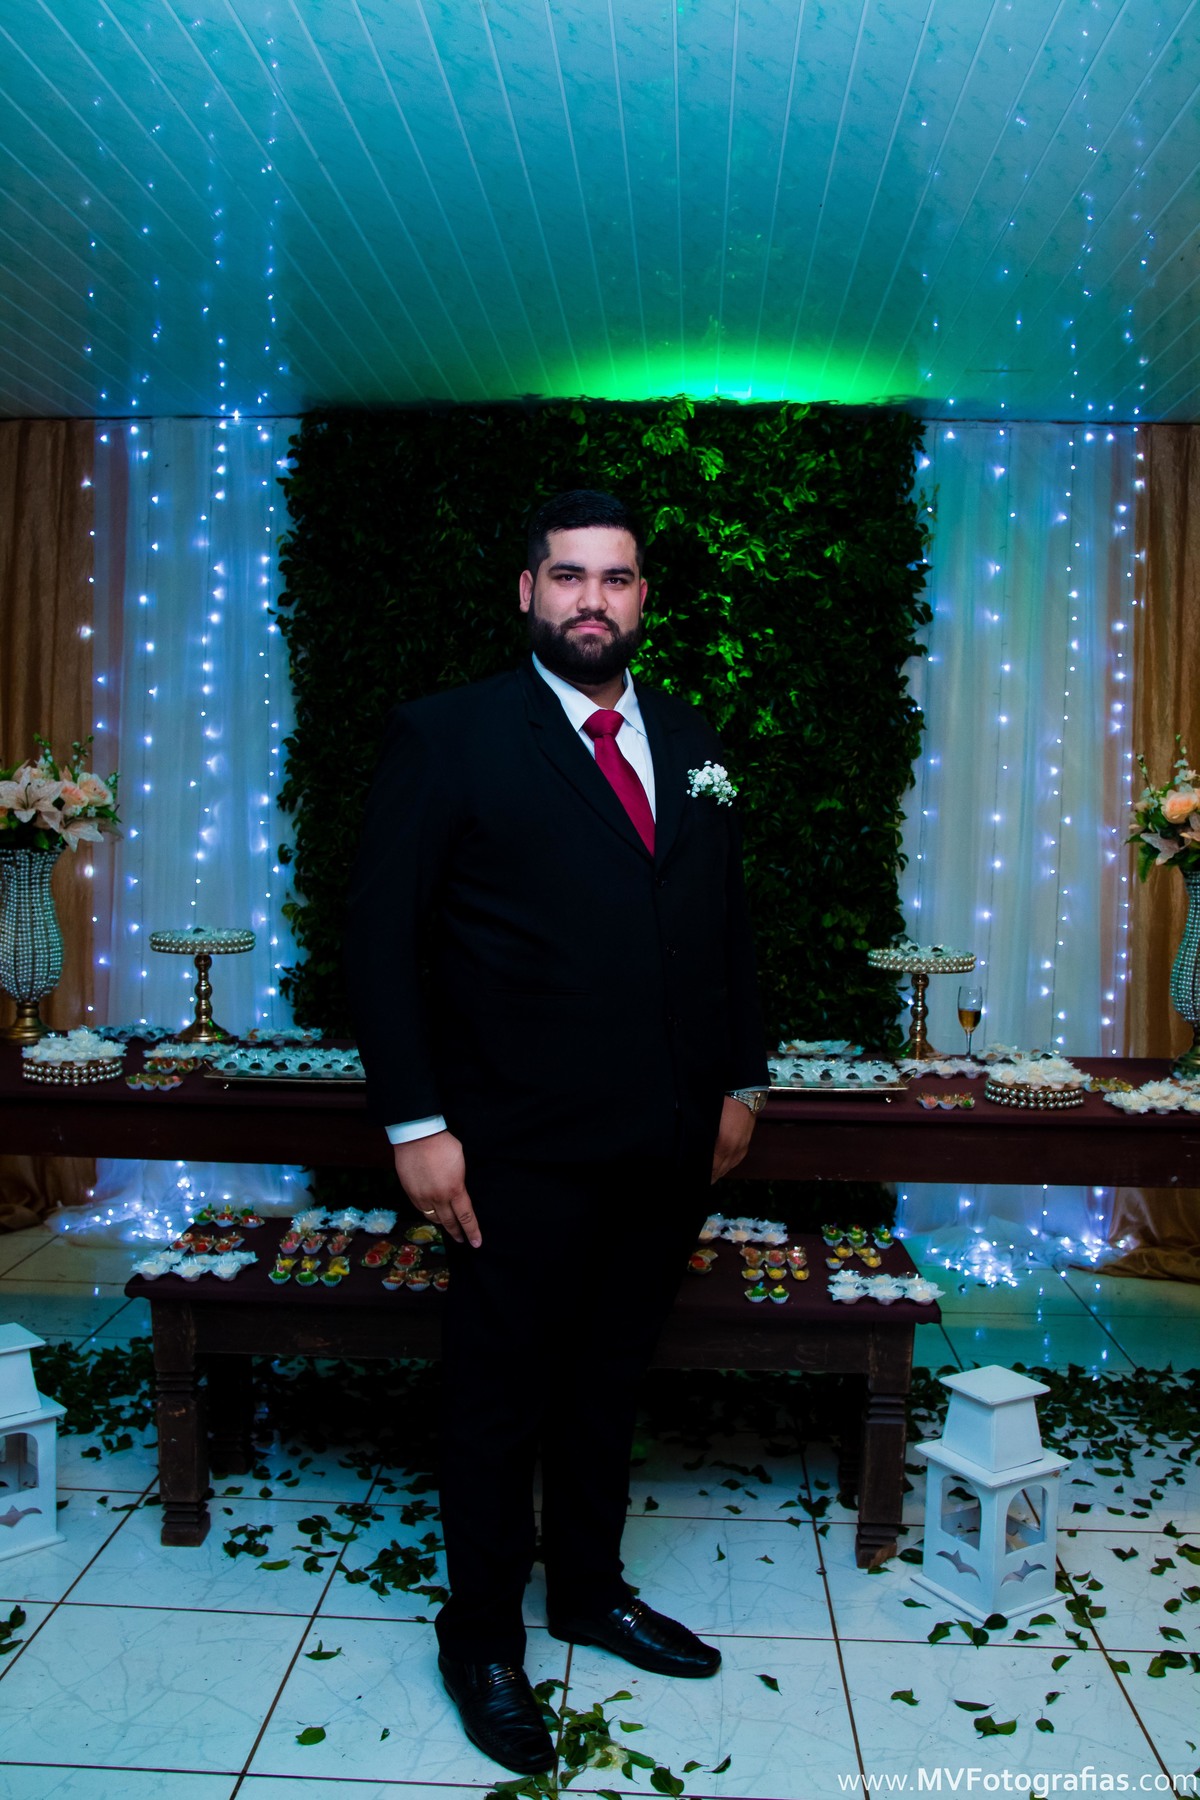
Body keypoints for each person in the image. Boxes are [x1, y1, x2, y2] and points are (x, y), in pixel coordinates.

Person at [345, 489, 769, 1775]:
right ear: (527, 592)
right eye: (569, 576)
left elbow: (725, 923)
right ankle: (481, 1638)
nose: (594, 599)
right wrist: (416, 1123)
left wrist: (742, 1085)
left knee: (608, 1384)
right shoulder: (448, 736)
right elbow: (382, 944)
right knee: (499, 1400)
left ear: (643, 599)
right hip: (512, 1149)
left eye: (616, 578)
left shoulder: (688, 735)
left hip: (667, 1140)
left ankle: (587, 1591)